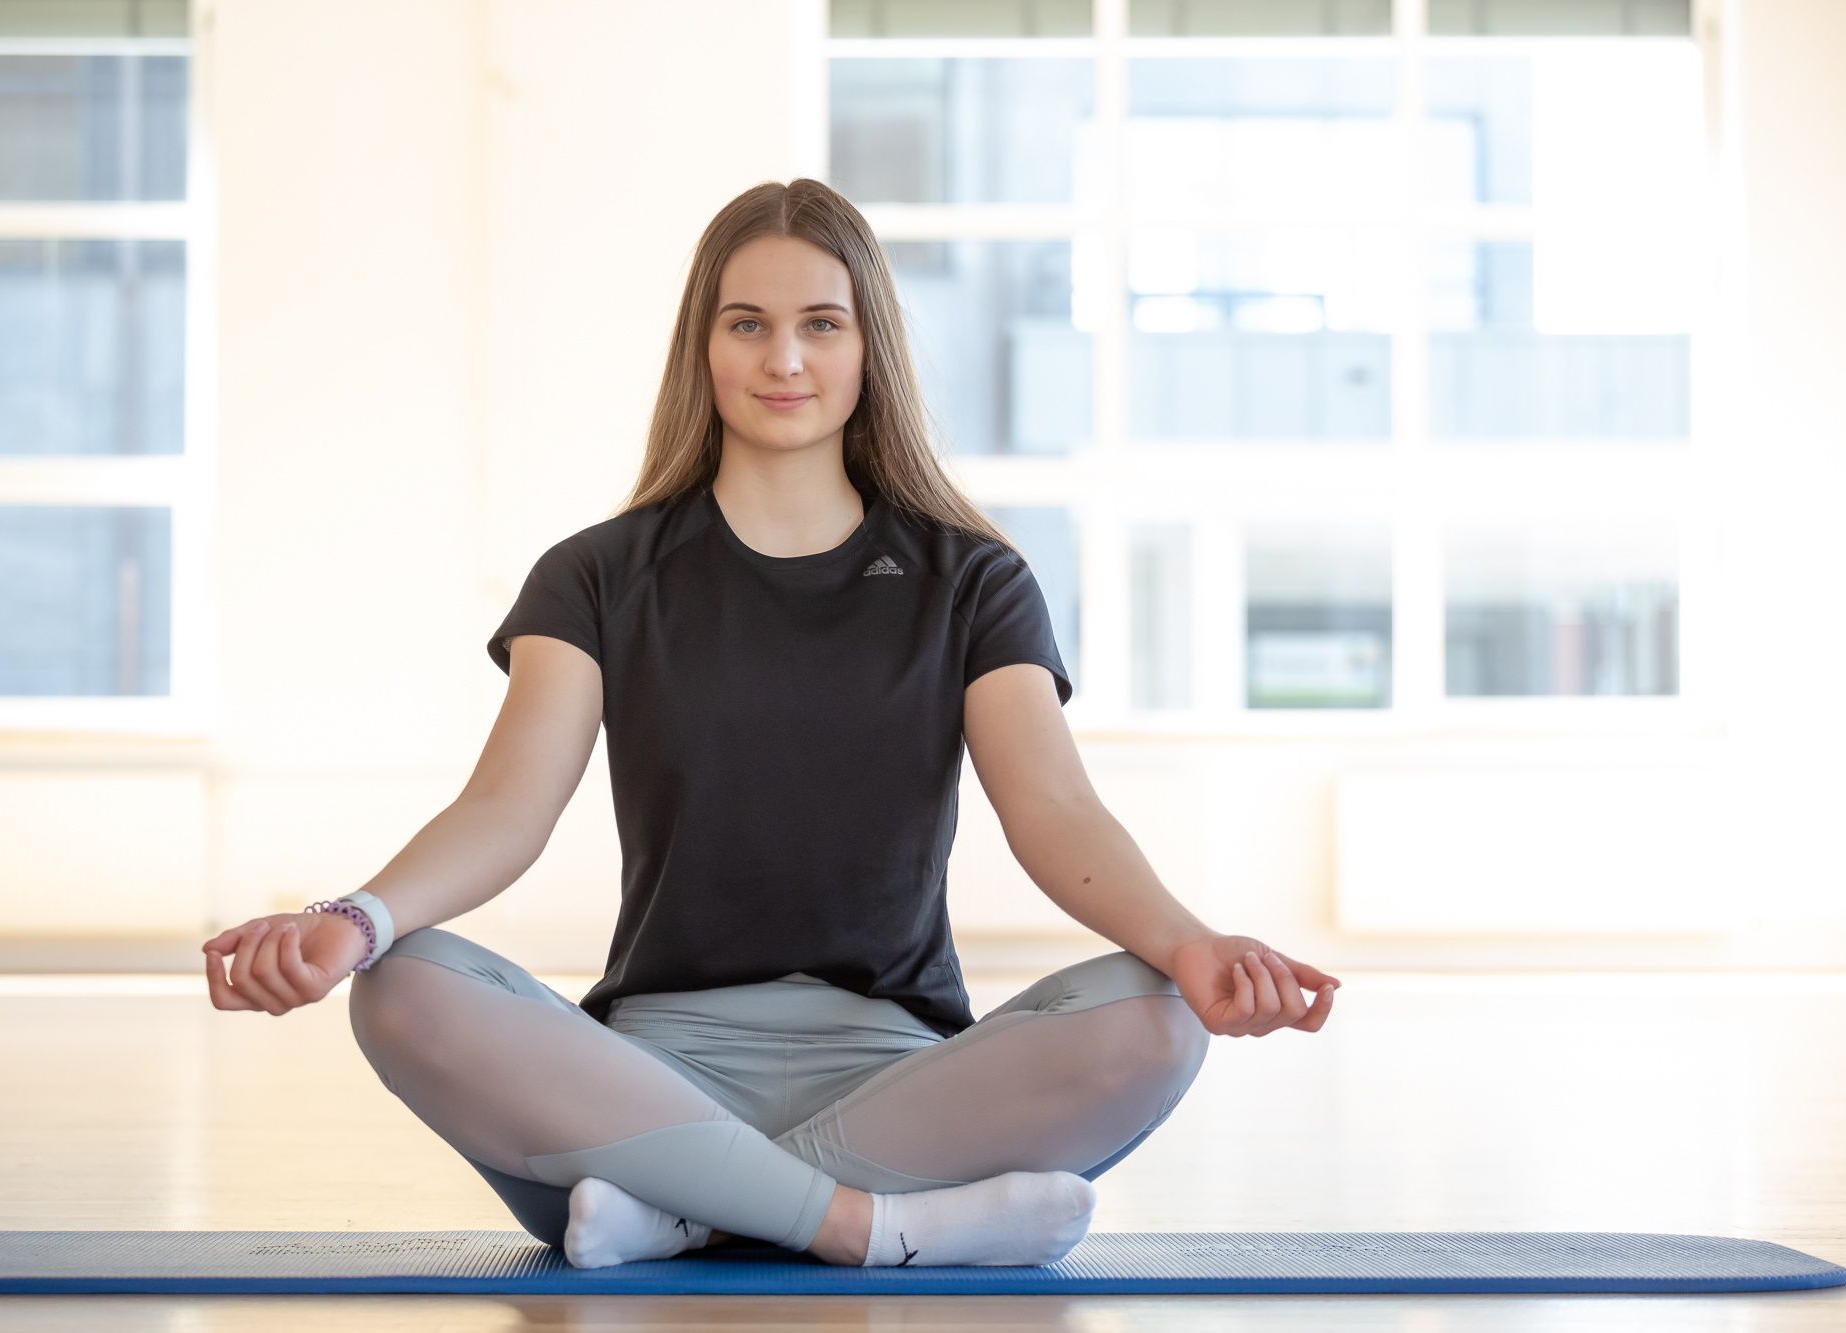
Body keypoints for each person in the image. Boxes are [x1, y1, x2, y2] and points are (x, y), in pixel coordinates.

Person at [202, 178, 1342, 1271]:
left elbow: (1054, 810)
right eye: (747, 323)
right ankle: (858, 1224)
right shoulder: (597, 575)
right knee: (404, 982)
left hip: (899, 1084)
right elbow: (506, 806)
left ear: (867, 349)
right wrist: (356, 918)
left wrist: (1192, 945)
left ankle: (686, 1212)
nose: (783, 358)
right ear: (704, 344)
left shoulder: (972, 580)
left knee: (1154, 1014)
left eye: (820, 325)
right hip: (648, 1079)